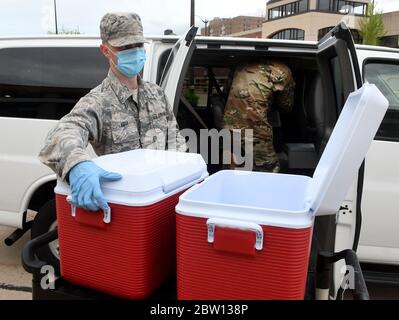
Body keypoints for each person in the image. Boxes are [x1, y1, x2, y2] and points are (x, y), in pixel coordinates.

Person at [39, 12, 186, 212]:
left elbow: (175, 140)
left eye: (138, 45)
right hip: (127, 206)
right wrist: (77, 164)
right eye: (125, 47)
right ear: (106, 50)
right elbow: (64, 132)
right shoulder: (98, 101)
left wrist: (185, 175)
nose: (134, 52)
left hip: (165, 197)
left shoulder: (157, 94)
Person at [223, 61, 295, 173]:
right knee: (267, 169)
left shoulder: (239, 66)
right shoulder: (282, 70)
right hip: (255, 128)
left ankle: (231, 185)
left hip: (229, 125)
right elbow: (286, 105)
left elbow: (226, 92)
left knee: (232, 167)